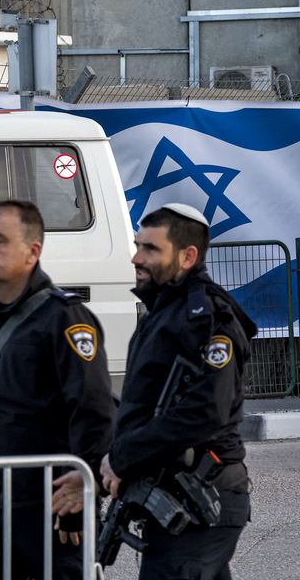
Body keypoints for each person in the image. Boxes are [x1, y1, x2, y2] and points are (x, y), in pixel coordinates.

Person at [0, 200, 115, 580]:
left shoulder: (64, 319)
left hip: (49, 511)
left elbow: (93, 411)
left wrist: (80, 501)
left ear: (32, 251)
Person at [96, 203, 255, 580]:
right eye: (137, 246)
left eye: (151, 248)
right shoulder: (164, 313)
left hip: (201, 498)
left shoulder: (208, 319)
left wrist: (123, 455)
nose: (136, 257)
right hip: (175, 500)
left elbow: (204, 411)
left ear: (187, 256)